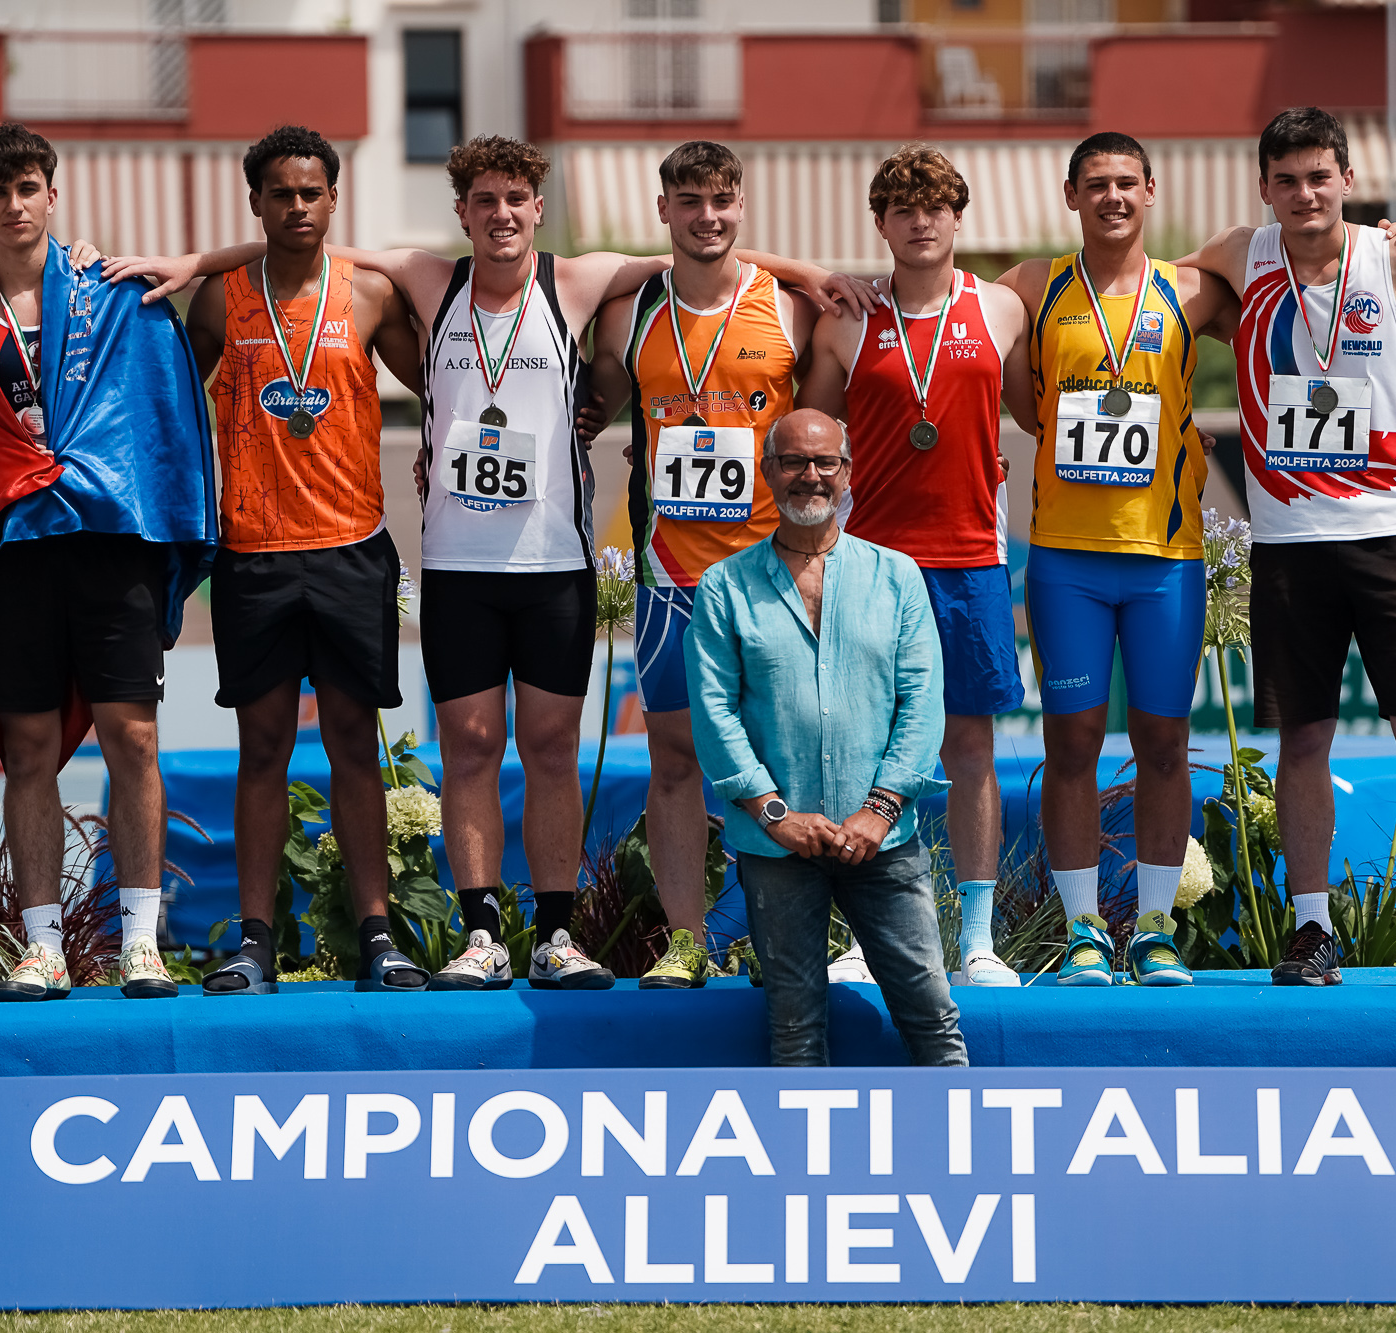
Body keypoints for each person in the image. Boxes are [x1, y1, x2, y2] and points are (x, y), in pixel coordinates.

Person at [106, 135, 869, 992]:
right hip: (460, 568)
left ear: (538, 209)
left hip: (555, 566)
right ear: (463, 213)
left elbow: (700, 243)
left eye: (517, 200)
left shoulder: (574, 283)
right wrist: (192, 261)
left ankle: (554, 932)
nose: (502, 215)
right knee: (469, 747)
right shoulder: (433, 281)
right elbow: (301, 237)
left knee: (549, 748)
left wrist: (803, 269)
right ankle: (479, 934)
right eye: (485, 202)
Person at [1183, 107, 1396, 986]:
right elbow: (1138, 278)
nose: (1304, 193)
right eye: (1286, 179)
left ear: (1348, 181)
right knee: (1302, 742)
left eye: (1320, 176)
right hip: (1289, 543)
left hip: (1395, 536)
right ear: (1263, 188)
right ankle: (1312, 928)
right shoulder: (1241, 254)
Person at [0, 122, 215, 1003]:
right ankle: (42, 944)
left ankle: (140, 940)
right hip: (14, 549)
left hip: (110, 539)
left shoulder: (118, 295)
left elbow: (167, 416)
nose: (14, 206)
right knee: (29, 748)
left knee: (134, 736)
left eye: (28, 188)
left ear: (53, 194)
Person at [181, 125, 426, 995]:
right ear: (255, 202)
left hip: (354, 548)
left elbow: (444, 389)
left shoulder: (368, 298)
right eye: (280, 193)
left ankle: (376, 935)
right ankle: (254, 940)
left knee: (356, 744)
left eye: (311, 192)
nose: (296, 206)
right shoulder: (219, 299)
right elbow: (173, 403)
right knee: (263, 748)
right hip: (252, 556)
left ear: (333, 200)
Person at [992, 132, 1242, 988]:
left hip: (1166, 557)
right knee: (1073, 745)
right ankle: (1085, 930)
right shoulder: (1033, 284)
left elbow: (1282, 269)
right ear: (1071, 195)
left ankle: (1159, 929)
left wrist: (1393, 243)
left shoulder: (1192, 289)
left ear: (1151, 189)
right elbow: (958, 326)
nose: (1112, 198)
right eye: (1095, 185)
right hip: (1066, 560)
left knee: (1165, 742)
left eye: (1126, 183)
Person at [581, 141, 828, 989]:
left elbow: (835, 436)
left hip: (771, 574)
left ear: (742, 205)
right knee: (676, 760)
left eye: (722, 201)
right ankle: (687, 940)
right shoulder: (629, 315)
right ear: (664, 212)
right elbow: (584, 407)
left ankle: (781, 937)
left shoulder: (793, 310)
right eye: (689, 202)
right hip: (671, 580)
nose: (707, 217)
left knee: (783, 760)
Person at [797, 143, 1035, 989]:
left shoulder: (1002, 307)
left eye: (936, 207)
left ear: (959, 218)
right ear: (881, 224)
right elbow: (805, 448)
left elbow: (1039, 409)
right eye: (904, 209)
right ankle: (872, 932)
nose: (922, 220)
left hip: (972, 559)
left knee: (970, 748)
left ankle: (976, 939)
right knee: (866, 752)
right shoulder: (848, 321)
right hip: (873, 568)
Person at [686, 408, 965, 1066]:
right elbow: (714, 713)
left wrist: (881, 808)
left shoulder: (896, 576)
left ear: (847, 474)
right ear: (767, 473)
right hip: (776, 845)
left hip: (884, 842)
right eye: (792, 462)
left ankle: (965, 1167)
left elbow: (923, 701)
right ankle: (803, 1173)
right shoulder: (724, 586)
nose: (809, 475)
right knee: (795, 1026)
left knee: (932, 1017)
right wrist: (775, 815)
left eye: (824, 462)